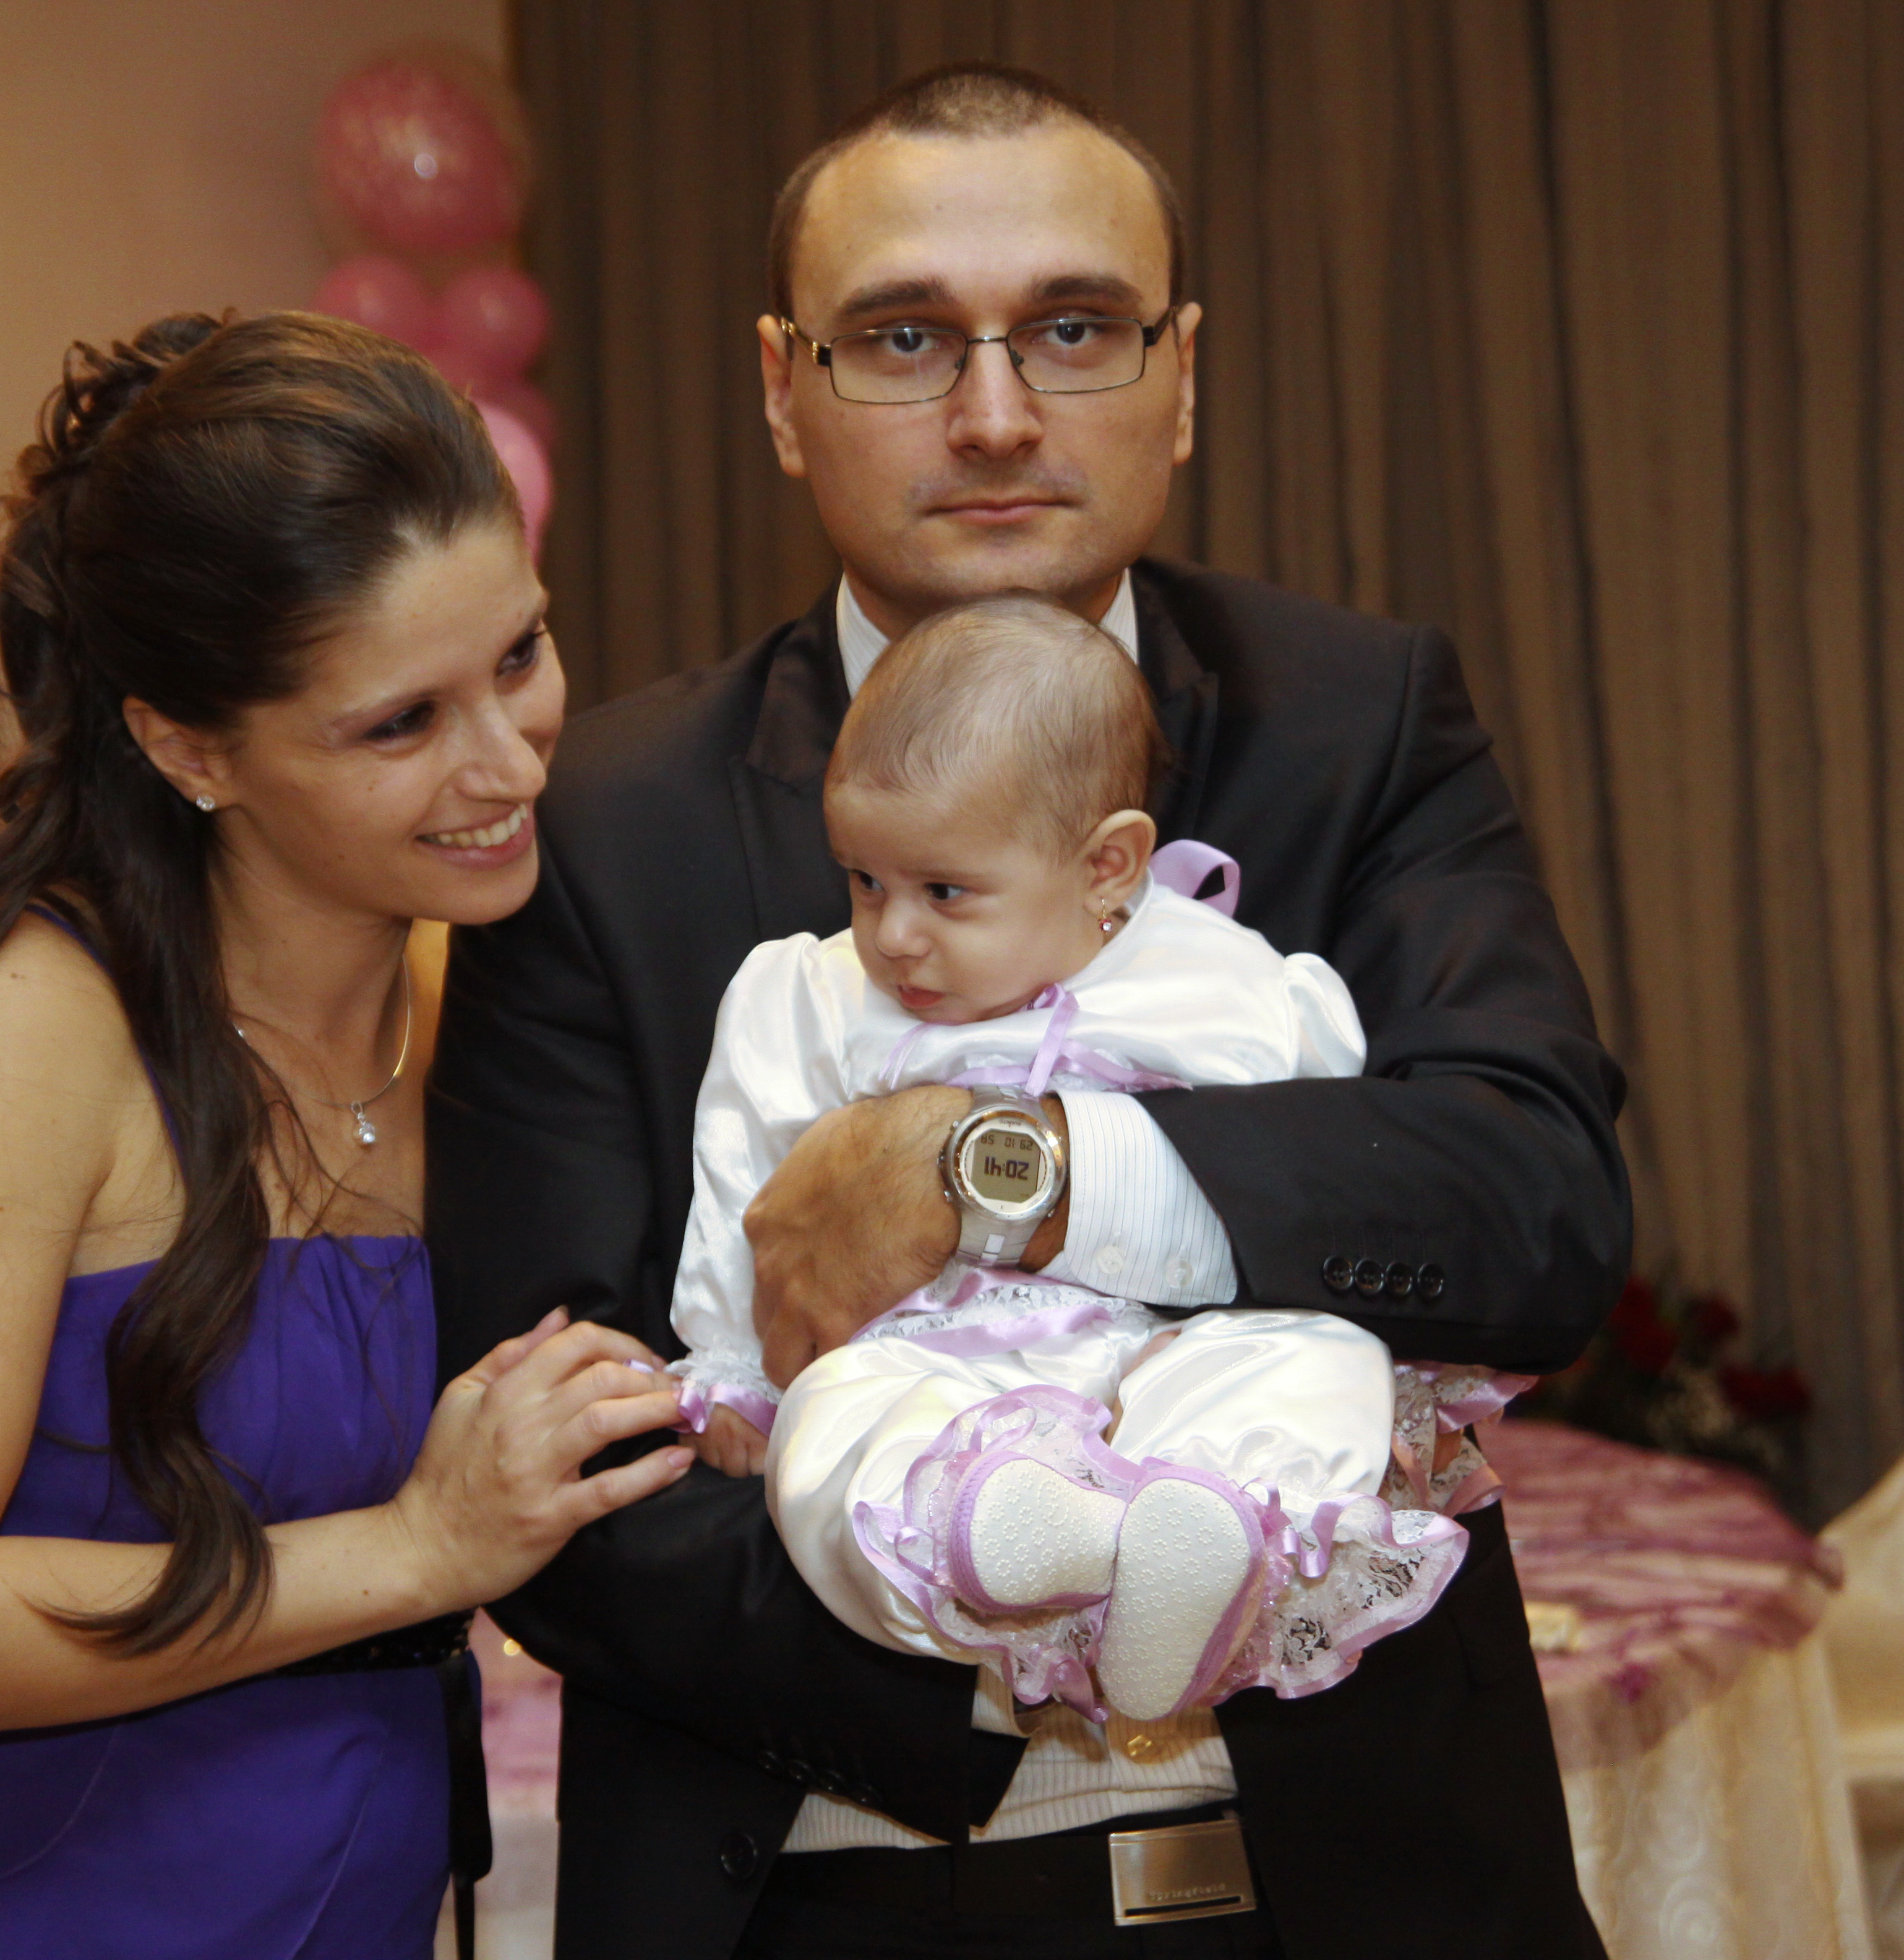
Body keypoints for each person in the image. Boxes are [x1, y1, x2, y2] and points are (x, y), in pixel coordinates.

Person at [427, 62, 1629, 1960]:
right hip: (831, 1901)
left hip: (1353, 1899)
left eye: (1074, 329)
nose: (995, 417)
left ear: (1182, 374)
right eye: (905, 339)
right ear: (783, 390)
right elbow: (553, 1443)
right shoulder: (607, 824)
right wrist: (1014, 1615)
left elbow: (1531, 1203)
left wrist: (1010, 1172)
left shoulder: (1359, 718)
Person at [0, 311, 688, 1959]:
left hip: (332, 1897)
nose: (509, 765)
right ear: (190, 746)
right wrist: (415, 1550)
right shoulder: (29, 1023)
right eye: (400, 724)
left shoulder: (490, 1008)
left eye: (520, 658)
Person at [667, 594, 1473, 1728]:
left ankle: (1197, 1540)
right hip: (933, 1356)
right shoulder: (810, 993)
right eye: (863, 880)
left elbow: (1329, 1170)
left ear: (1107, 866)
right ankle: (1007, 1526)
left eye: (944, 891)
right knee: (833, 1429)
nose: (892, 935)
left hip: (1170, 1342)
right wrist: (734, 1366)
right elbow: (745, 1181)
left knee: (1323, 1354)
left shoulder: (1225, 982)